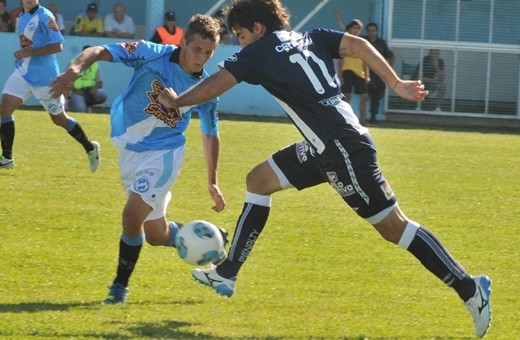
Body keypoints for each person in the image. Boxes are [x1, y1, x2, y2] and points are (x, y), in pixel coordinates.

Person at [157, 0, 491, 337]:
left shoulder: (257, 52)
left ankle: (469, 289)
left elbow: (216, 84)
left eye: (241, 35)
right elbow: (357, 44)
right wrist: (396, 84)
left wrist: (177, 101)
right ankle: (227, 273)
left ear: (258, 28)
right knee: (258, 180)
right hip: (328, 145)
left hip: (342, 151)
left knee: (394, 228)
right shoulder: (311, 36)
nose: (240, 43)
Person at [50, 14, 225, 304]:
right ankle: (210, 238)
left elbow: (210, 134)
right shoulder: (150, 53)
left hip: (164, 154)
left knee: (132, 217)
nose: (201, 58)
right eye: (197, 49)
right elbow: (99, 51)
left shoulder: (207, 90)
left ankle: (119, 288)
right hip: (130, 150)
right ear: (182, 42)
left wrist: (213, 181)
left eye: (209, 53)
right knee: (155, 234)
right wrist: (73, 70)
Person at [0, 0, 100, 171]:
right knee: (4, 109)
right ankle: (7, 157)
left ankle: (90, 147)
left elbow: (58, 46)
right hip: (23, 73)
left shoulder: (45, 16)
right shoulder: (22, 15)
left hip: (45, 79)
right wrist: (24, 54)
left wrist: (30, 52)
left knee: (59, 119)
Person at [337, 19, 369, 125]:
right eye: (354, 28)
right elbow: (340, 59)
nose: (356, 30)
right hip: (347, 71)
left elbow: (365, 60)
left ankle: (362, 120)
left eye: (358, 28)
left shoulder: (361, 42)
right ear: (350, 28)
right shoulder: (345, 41)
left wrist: (367, 75)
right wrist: (340, 74)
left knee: (364, 97)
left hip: (360, 73)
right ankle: (346, 120)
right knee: (347, 96)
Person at [364, 22, 394, 123]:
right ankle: (367, 117)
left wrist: (388, 69)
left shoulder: (381, 43)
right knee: (370, 91)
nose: (371, 33)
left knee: (378, 94)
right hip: (367, 71)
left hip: (380, 72)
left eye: (373, 31)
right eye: (369, 31)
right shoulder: (363, 41)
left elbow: (390, 56)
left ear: (376, 31)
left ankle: (373, 116)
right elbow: (348, 33)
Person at [68, 45, 107, 113]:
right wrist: (74, 89)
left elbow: (100, 83)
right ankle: (70, 104)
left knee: (102, 95)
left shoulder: (95, 65)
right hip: (76, 92)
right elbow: (66, 80)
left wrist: (95, 88)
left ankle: (87, 104)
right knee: (80, 109)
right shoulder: (73, 63)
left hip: (89, 91)